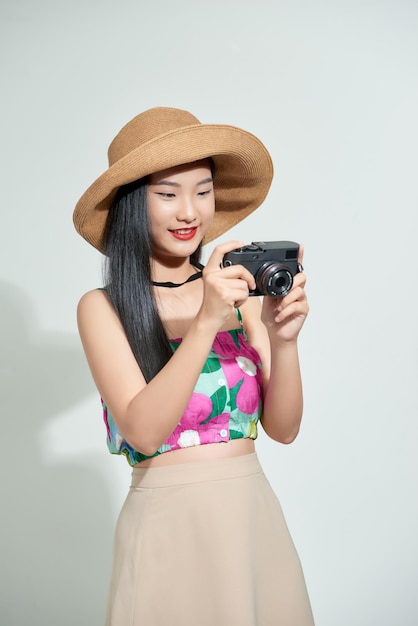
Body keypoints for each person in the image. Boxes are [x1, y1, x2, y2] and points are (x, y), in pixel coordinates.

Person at [73, 107, 315, 626]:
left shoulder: (242, 298)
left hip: (252, 522)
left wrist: (284, 339)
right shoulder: (102, 307)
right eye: (168, 194)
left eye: (203, 191)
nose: (190, 211)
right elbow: (142, 429)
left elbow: (285, 429)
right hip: (166, 529)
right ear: (136, 204)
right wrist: (206, 320)